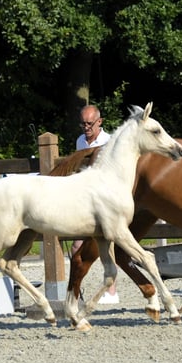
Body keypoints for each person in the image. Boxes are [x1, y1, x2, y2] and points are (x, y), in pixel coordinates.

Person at [73, 104, 116, 303]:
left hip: (105, 199)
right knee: (76, 245)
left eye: (89, 123)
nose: (86, 127)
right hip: (84, 198)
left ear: (99, 122)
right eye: (83, 123)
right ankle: (75, 291)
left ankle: (112, 292)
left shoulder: (109, 141)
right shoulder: (80, 141)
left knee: (106, 244)